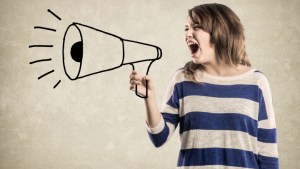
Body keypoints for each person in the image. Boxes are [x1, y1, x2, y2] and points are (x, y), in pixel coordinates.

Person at [129, 3, 279, 169]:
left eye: (196, 27)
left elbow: (268, 154)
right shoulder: (182, 80)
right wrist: (148, 98)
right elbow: (159, 138)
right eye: (186, 28)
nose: (188, 33)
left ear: (220, 32)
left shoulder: (256, 82)